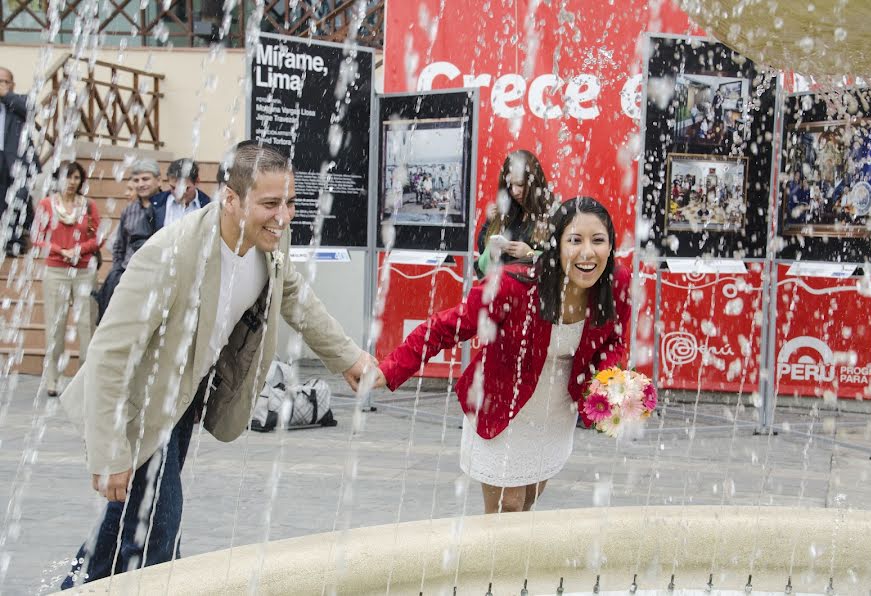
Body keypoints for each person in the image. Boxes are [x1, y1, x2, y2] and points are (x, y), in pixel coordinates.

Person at [59, 142, 376, 588]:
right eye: (270, 204)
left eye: (289, 202)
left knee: (130, 520)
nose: (283, 216)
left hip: (185, 396)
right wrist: (111, 451)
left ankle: (77, 587)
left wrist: (348, 356)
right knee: (158, 532)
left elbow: (291, 293)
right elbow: (110, 352)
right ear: (230, 198)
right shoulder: (170, 254)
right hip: (139, 402)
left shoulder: (269, 237)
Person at [375, 197, 631, 514]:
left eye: (598, 240)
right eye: (575, 240)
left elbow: (614, 341)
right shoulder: (513, 286)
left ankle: (514, 563)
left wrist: (607, 385)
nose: (587, 252)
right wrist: (389, 370)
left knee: (527, 503)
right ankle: (488, 563)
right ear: (555, 245)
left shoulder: (617, 283)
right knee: (505, 511)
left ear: (611, 246)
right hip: (501, 407)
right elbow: (447, 327)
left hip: (553, 415)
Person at [33, 161, 102, 397]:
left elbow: (98, 237)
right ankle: (53, 378)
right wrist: (58, 250)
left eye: (75, 178)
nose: (71, 182)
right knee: (56, 325)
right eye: (67, 177)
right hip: (56, 270)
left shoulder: (89, 205)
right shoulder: (46, 205)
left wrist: (80, 249)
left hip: (84, 270)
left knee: (87, 325)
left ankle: (85, 379)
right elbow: (37, 238)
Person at [93, 159, 163, 321]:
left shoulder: (167, 206)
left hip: (157, 278)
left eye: (146, 179)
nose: (141, 184)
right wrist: (118, 270)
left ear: (159, 180)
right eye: (136, 180)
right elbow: (120, 246)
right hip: (129, 276)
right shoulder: (129, 211)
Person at [474, 149, 553, 278]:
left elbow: (561, 265)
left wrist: (530, 254)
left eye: (521, 184)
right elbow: (482, 265)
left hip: (534, 294)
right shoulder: (502, 212)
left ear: (535, 182)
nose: (515, 192)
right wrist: (492, 252)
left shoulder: (553, 214)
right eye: (510, 186)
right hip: (501, 291)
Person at [0, 66, 38, 256]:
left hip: (18, 161)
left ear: (12, 85)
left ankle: (15, 243)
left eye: (3, 81)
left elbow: (30, 112)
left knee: (18, 199)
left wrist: (6, 96)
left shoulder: (19, 100)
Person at [151, 158, 211, 231]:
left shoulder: (209, 206)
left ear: (197, 182)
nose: (178, 194)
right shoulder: (155, 204)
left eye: (185, 189)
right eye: (173, 187)